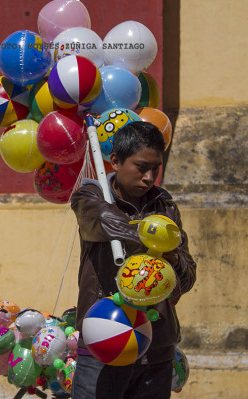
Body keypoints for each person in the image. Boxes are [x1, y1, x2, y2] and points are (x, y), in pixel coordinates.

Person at [70, 121, 197, 399]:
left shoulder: (166, 206)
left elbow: (187, 277)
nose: (150, 177)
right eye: (141, 167)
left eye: (156, 168)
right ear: (115, 161)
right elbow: (107, 222)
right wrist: (155, 238)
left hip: (157, 344)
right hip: (104, 336)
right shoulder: (90, 197)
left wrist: (173, 257)